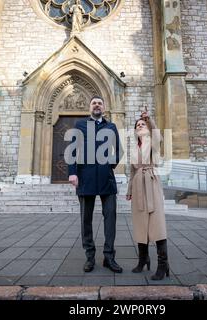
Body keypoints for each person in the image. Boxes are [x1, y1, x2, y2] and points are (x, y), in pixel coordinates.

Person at [68, 96, 123, 273]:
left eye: (100, 103)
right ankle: (90, 257)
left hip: (107, 179)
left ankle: (109, 257)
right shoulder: (80, 125)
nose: (97, 105)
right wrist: (73, 173)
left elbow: (119, 150)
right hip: (86, 178)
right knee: (86, 220)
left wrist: (109, 165)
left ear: (104, 107)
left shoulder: (111, 127)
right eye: (94, 103)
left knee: (111, 218)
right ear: (89, 107)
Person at [126, 110, 169, 280]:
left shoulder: (153, 141)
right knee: (140, 224)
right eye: (138, 125)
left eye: (142, 124)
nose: (140, 126)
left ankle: (163, 264)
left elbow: (159, 137)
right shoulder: (133, 148)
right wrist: (129, 191)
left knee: (157, 224)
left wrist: (149, 120)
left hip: (151, 182)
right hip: (137, 185)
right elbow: (131, 171)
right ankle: (143, 259)